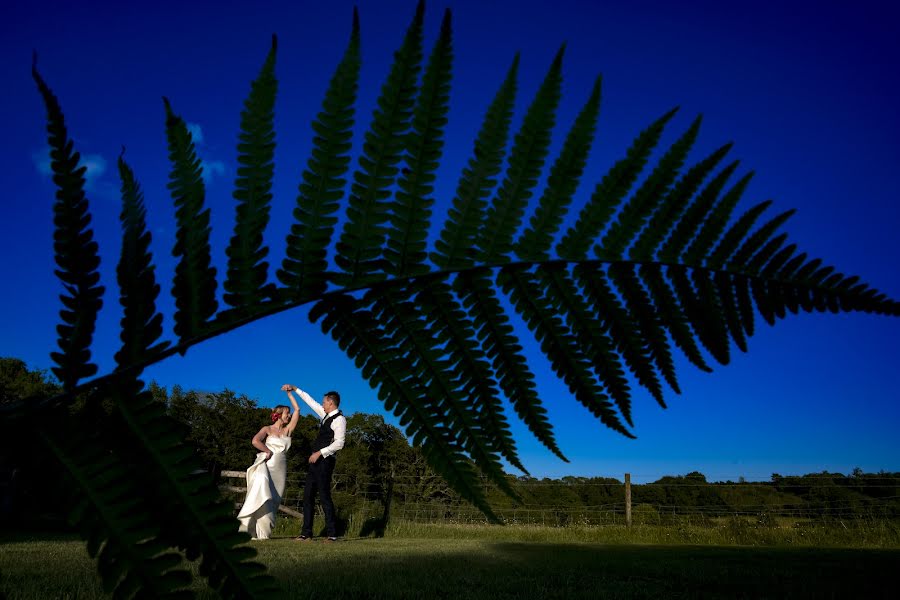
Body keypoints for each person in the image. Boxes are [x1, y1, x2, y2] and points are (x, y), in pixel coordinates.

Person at [282, 384, 346, 542]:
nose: (322, 404)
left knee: (324, 496)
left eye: (324, 402)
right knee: (307, 495)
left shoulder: (340, 419)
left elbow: (339, 443)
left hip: (325, 461)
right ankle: (306, 533)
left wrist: (319, 453)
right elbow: (310, 401)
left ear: (331, 403)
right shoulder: (324, 415)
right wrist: (295, 390)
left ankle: (331, 534)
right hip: (314, 462)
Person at [237, 389, 300, 539]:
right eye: (286, 413)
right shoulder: (267, 429)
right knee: (262, 495)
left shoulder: (288, 430)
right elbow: (255, 441)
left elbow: (298, 409)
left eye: (289, 414)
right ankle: (250, 531)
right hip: (267, 466)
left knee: (275, 499)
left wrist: (290, 394)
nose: (289, 415)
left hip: (281, 468)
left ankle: (264, 533)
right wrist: (267, 451)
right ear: (278, 415)